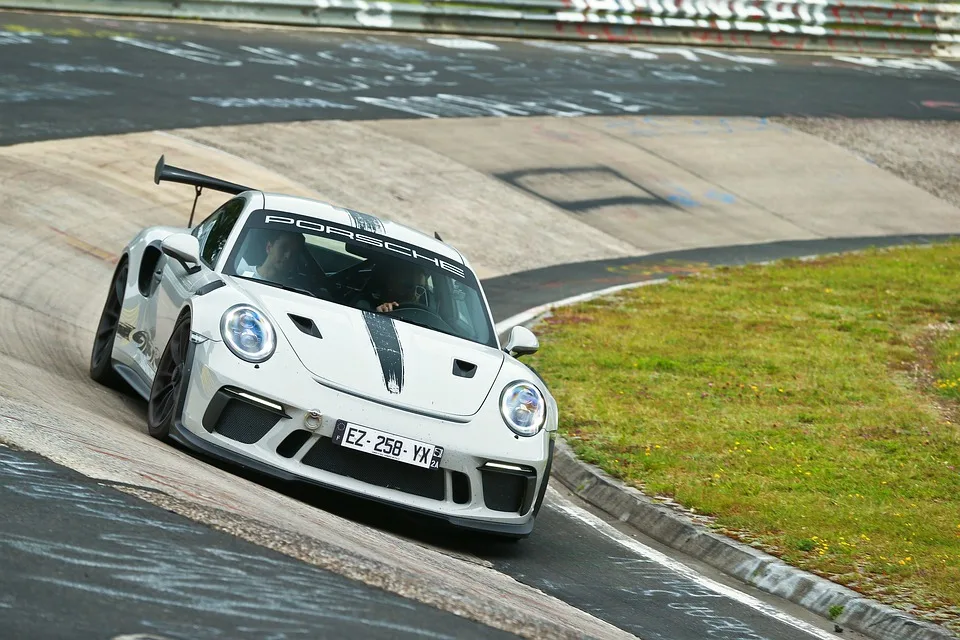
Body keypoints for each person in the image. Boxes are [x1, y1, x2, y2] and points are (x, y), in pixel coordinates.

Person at [236, 229, 306, 283]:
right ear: (269, 247)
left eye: (294, 252)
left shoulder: (294, 292)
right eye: (284, 247)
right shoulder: (239, 272)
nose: (288, 256)